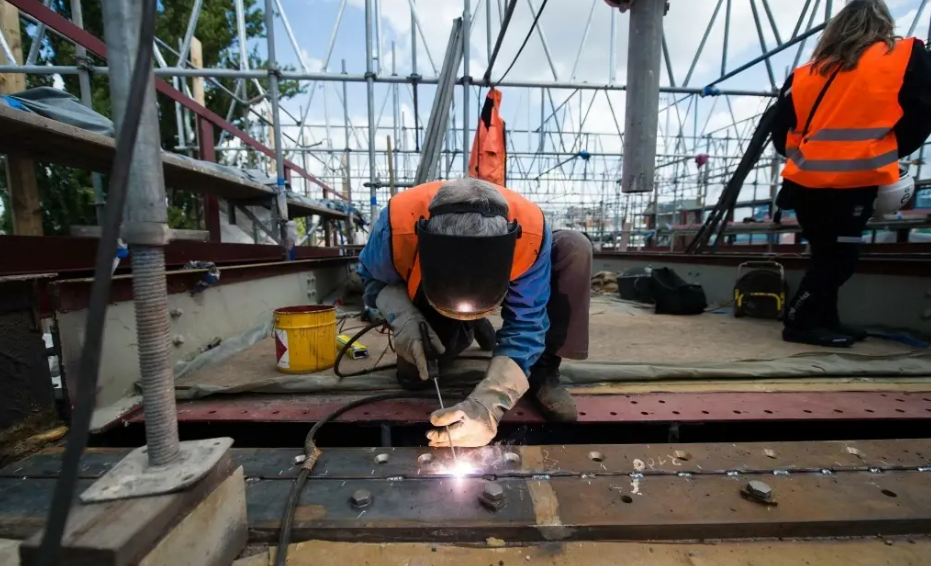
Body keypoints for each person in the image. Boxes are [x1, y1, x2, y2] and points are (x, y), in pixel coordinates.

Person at [358, 178, 592, 447]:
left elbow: (527, 322)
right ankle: (467, 327)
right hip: (428, 292)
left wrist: (491, 402)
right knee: (414, 376)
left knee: (575, 246)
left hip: (516, 270)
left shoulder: (531, 234)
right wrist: (402, 315)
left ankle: (544, 370)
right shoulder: (396, 224)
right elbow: (371, 279)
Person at [772, 0, 931, 347]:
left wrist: (810, 157)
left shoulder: (805, 74)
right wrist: (886, 152)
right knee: (840, 258)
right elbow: (921, 113)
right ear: (883, 23)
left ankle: (826, 320)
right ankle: (799, 321)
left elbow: (780, 132)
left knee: (825, 253)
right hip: (853, 182)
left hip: (804, 183)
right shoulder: (903, 56)